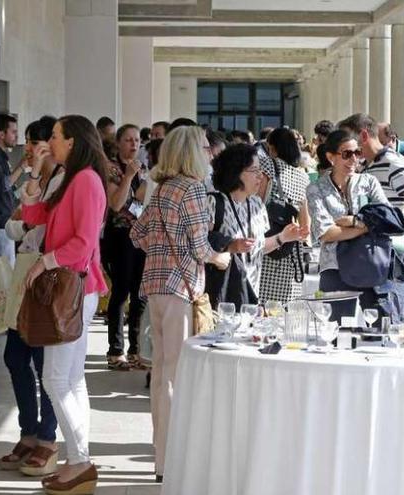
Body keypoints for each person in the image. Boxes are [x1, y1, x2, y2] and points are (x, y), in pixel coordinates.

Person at [130, 126, 230, 482]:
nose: (210, 153)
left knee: (161, 375)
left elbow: (136, 234)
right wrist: (220, 259)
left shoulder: (160, 190)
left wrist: (160, 244)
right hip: (180, 288)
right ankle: (169, 460)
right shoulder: (193, 190)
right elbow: (201, 247)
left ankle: (162, 456)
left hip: (155, 286)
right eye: (205, 147)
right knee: (173, 376)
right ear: (193, 152)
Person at [20, 115, 109, 494]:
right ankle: (78, 461)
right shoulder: (71, 177)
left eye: (55, 136)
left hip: (73, 289)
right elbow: (32, 216)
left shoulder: (86, 180)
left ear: (72, 141)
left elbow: (83, 242)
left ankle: (80, 462)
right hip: (74, 290)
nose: (49, 142)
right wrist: (37, 174)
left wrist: (45, 261)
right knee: (70, 380)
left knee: (57, 379)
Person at [0, 115, 61, 476]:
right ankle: (28, 431)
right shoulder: (37, 179)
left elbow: (42, 224)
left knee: (43, 360)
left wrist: (26, 222)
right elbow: (12, 222)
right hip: (25, 268)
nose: (33, 150)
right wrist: (27, 222)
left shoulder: (64, 180)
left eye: (38, 143)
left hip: (50, 273)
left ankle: (47, 437)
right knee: (14, 355)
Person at [339, 113, 404, 322]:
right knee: (376, 313)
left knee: (391, 311)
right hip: (376, 249)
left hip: (397, 249)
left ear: (363, 136)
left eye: (349, 140)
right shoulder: (367, 166)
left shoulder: (393, 163)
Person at [306, 130, 390, 322]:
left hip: (371, 262)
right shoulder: (316, 189)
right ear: (330, 157)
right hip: (334, 267)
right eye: (346, 154)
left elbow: (385, 218)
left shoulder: (369, 182)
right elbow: (326, 232)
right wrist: (368, 226)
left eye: (357, 153)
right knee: (336, 330)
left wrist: (354, 222)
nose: (354, 159)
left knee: (380, 330)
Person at [207, 144, 305, 305]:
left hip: (249, 292)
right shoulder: (213, 202)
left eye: (261, 170)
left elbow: (257, 249)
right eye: (254, 171)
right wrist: (230, 245)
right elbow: (201, 243)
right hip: (222, 292)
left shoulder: (256, 203)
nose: (260, 176)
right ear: (236, 172)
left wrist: (283, 237)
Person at [103, 124, 149, 370]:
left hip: (142, 236)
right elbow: (116, 204)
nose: (134, 145)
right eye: (129, 140)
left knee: (140, 293)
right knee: (121, 293)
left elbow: (144, 199)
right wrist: (129, 177)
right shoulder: (111, 168)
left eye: (137, 140)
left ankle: (137, 349)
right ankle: (115, 350)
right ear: (119, 142)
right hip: (120, 236)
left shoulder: (144, 169)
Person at [257, 127, 312, 303]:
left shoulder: (266, 166)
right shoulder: (303, 176)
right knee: (281, 310)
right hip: (290, 248)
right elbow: (306, 223)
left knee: (261, 305)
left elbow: (257, 201)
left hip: (267, 241)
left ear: (272, 148)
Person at [0, 113, 20, 265]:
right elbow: (2, 185)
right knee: (5, 269)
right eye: (13, 132)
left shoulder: (3, 157)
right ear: (1, 134)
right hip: (0, 222)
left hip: (6, 220)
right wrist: (22, 167)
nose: (16, 136)